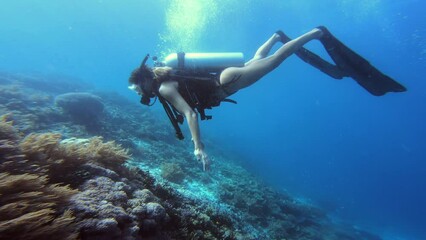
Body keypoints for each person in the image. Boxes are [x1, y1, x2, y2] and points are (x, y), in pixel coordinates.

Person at [128, 26, 406, 171]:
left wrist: (198, 146)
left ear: (145, 80)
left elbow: (189, 113)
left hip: (227, 83)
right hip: (225, 78)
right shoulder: (165, 80)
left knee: (277, 59)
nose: (141, 94)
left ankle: (316, 33)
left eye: (138, 89)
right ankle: (275, 35)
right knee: (258, 59)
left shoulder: (164, 89)